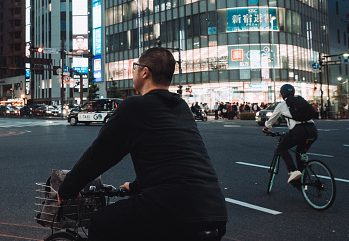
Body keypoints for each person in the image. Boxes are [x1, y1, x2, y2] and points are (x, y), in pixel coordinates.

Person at [57, 47, 227, 240]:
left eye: (135, 67)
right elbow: (177, 161)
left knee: (100, 221)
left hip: (171, 209)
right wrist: (135, 186)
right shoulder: (182, 108)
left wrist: (68, 188)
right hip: (214, 210)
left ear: (145, 72)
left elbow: (99, 155)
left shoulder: (134, 106)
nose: (134, 71)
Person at [262, 84, 318, 183]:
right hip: (312, 130)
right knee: (300, 154)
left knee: (282, 147)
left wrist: (266, 128)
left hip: (298, 131)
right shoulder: (301, 100)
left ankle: (292, 171)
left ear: (283, 94)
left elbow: (272, 119)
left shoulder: (282, 104)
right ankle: (302, 181)